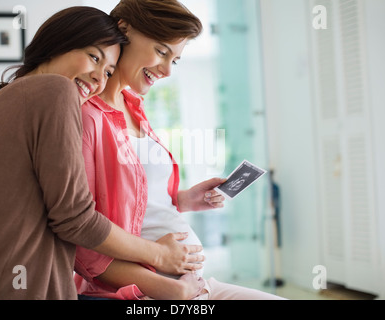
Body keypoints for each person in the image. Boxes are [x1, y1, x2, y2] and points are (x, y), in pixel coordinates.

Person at [0, 6, 204, 300]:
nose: (99, 79)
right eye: (94, 57)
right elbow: (75, 218)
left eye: (108, 71)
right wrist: (160, 256)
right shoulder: (55, 90)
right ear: (58, 43)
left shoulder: (1, 100)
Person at [74, 0, 285, 300]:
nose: (167, 70)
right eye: (161, 51)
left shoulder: (135, 108)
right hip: (144, 291)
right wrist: (165, 285)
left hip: (193, 285)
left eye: (175, 60)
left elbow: (137, 204)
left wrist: (183, 199)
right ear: (123, 30)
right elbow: (81, 240)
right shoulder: (87, 117)